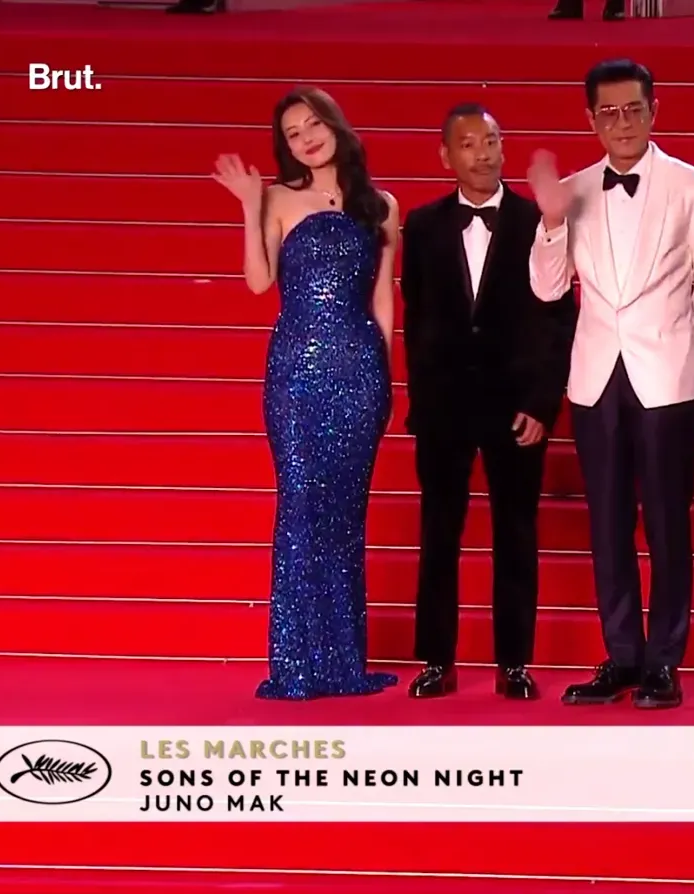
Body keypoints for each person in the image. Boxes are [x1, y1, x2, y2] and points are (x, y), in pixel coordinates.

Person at [525, 58, 694, 710]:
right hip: (595, 378)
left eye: (633, 109)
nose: (622, 123)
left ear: (654, 110)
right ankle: (621, 656)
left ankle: (664, 660)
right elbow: (547, 289)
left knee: (667, 522)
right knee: (607, 525)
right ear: (591, 119)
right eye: (608, 113)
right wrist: (551, 222)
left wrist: (692, 369)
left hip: (668, 376)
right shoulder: (574, 190)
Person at [212, 86, 401, 700]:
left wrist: (385, 377)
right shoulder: (276, 198)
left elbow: (383, 299)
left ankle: (342, 665)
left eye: (313, 125)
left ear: (336, 126)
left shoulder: (381, 206)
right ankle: (296, 666)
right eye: (293, 134)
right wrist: (250, 207)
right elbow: (257, 282)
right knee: (299, 508)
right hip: (296, 373)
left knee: (346, 515)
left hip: (360, 371)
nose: (307, 139)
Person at [400, 104, 576, 701]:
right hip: (444, 408)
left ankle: (514, 663)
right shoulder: (422, 226)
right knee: (438, 533)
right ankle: (437, 661)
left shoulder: (536, 220)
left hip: (516, 406)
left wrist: (542, 403)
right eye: (469, 143)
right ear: (445, 155)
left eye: (492, 141)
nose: (483, 153)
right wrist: (422, 402)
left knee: (516, 534)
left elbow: (557, 318)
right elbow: (417, 320)